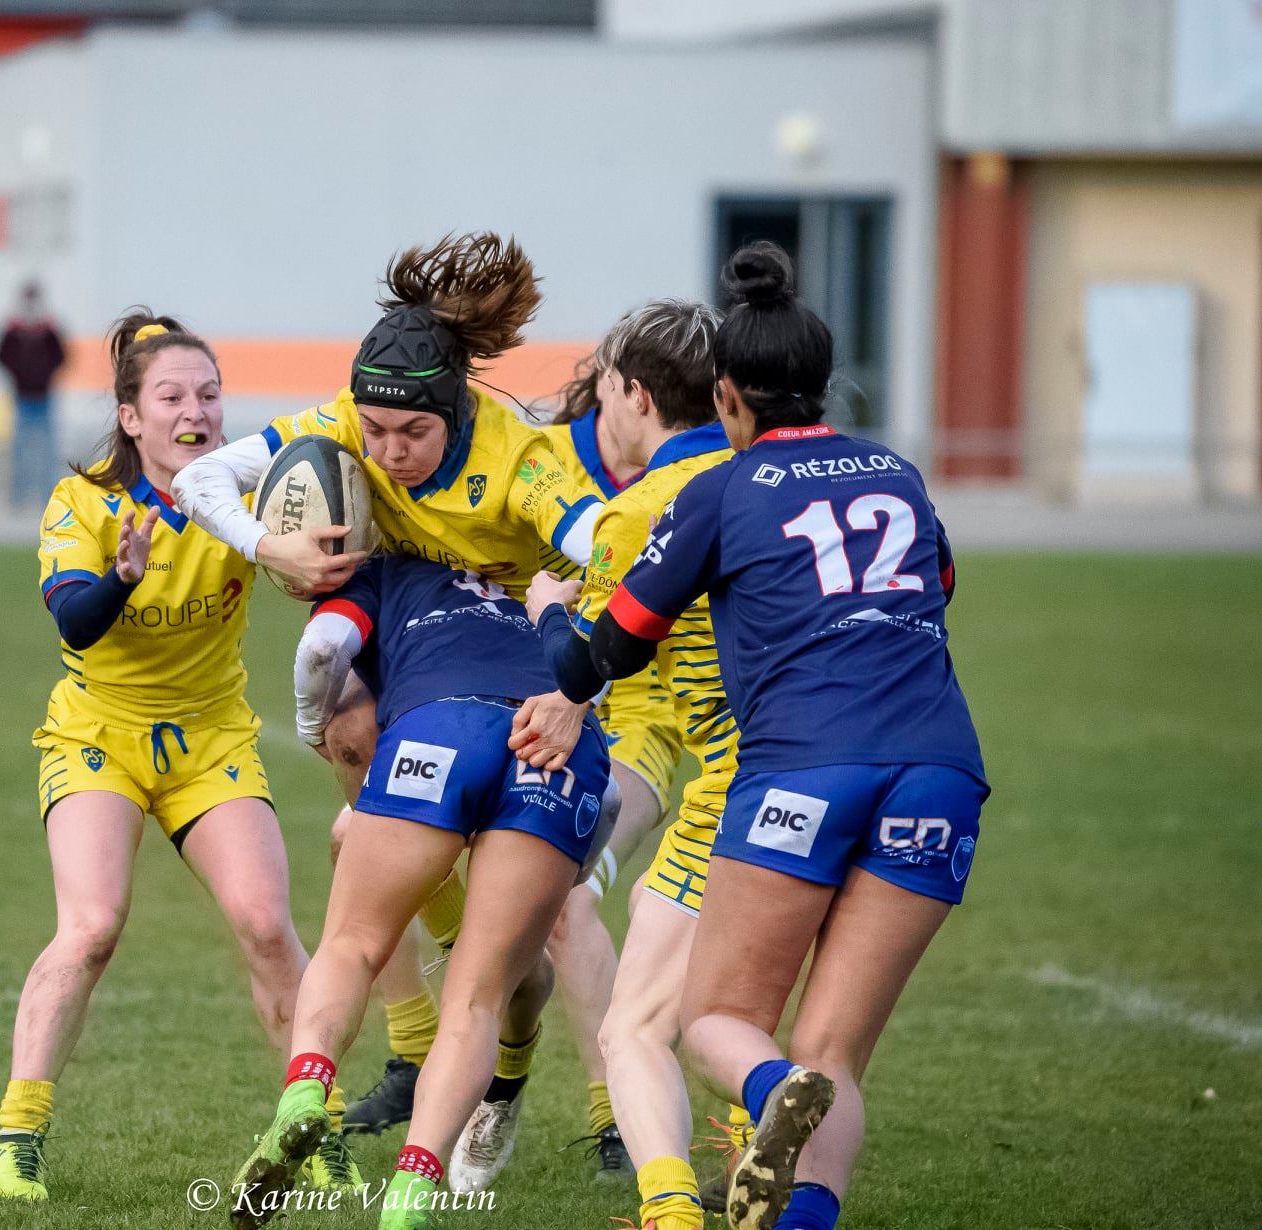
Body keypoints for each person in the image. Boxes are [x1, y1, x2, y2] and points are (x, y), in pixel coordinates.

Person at [529, 242, 987, 1230]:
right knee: (834, 1055)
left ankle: (770, 1094)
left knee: (719, 1025)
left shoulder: (721, 492)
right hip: (943, 775)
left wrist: (544, 623)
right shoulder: (895, 472)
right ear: (823, 384)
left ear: (728, 398)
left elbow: (612, 649)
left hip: (803, 771)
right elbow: (939, 586)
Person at [174, 233, 603, 1151]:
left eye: (413, 434)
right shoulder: (343, 421)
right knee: (349, 750)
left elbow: (608, 542)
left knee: (556, 925)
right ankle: (415, 1051)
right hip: (407, 632)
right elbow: (204, 475)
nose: (388, 452)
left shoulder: (522, 461)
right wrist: (269, 546)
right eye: (375, 434)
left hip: (534, 667)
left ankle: (564, 1099)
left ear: (456, 412)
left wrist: (578, 670)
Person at [0, 310, 362, 1204]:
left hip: (211, 740)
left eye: (210, 392)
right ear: (129, 417)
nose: (196, 410)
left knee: (270, 927)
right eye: (172, 396)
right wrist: (121, 574)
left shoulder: (256, 490)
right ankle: (17, 1136)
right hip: (98, 736)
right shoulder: (83, 503)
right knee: (92, 927)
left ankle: (320, 1127)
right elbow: (74, 619)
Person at [228, 553, 612, 1230]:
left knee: (351, 944)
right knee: (479, 997)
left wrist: (316, 727)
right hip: (554, 741)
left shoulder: (383, 567)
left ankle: (305, 1097)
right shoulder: (554, 553)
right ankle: (411, 1194)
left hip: (439, 732)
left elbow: (322, 648)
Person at [511, 299, 754, 1230]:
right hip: (829, 758)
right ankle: (753, 1133)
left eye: (606, 381)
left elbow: (590, 667)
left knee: (637, 1024)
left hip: (735, 779)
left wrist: (544, 607)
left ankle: (677, 1203)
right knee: (733, 998)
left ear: (633, 393)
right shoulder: (758, 477)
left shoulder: (638, 511)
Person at [0, 283, 68, 509]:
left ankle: (48, 494)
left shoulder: (48, 330)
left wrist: (45, 374)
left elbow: (62, 357)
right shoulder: (13, 329)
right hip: (22, 397)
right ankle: (19, 495)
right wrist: (18, 375)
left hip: (44, 397)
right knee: (20, 450)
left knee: (47, 450)